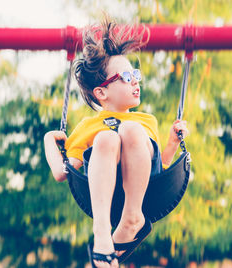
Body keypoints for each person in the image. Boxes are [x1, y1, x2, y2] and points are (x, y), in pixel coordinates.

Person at [44, 16, 189, 268]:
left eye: (135, 73)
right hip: (105, 194)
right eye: (125, 76)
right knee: (107, 138)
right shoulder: (88, 127)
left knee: (131, 130)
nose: (135, 80)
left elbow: (157, 171)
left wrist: (172, 144)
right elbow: (61, 172)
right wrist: (48, 140)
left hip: (143, 193)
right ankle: (102, 232)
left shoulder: (147, 121)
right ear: (101, 92)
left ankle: (133, 218)